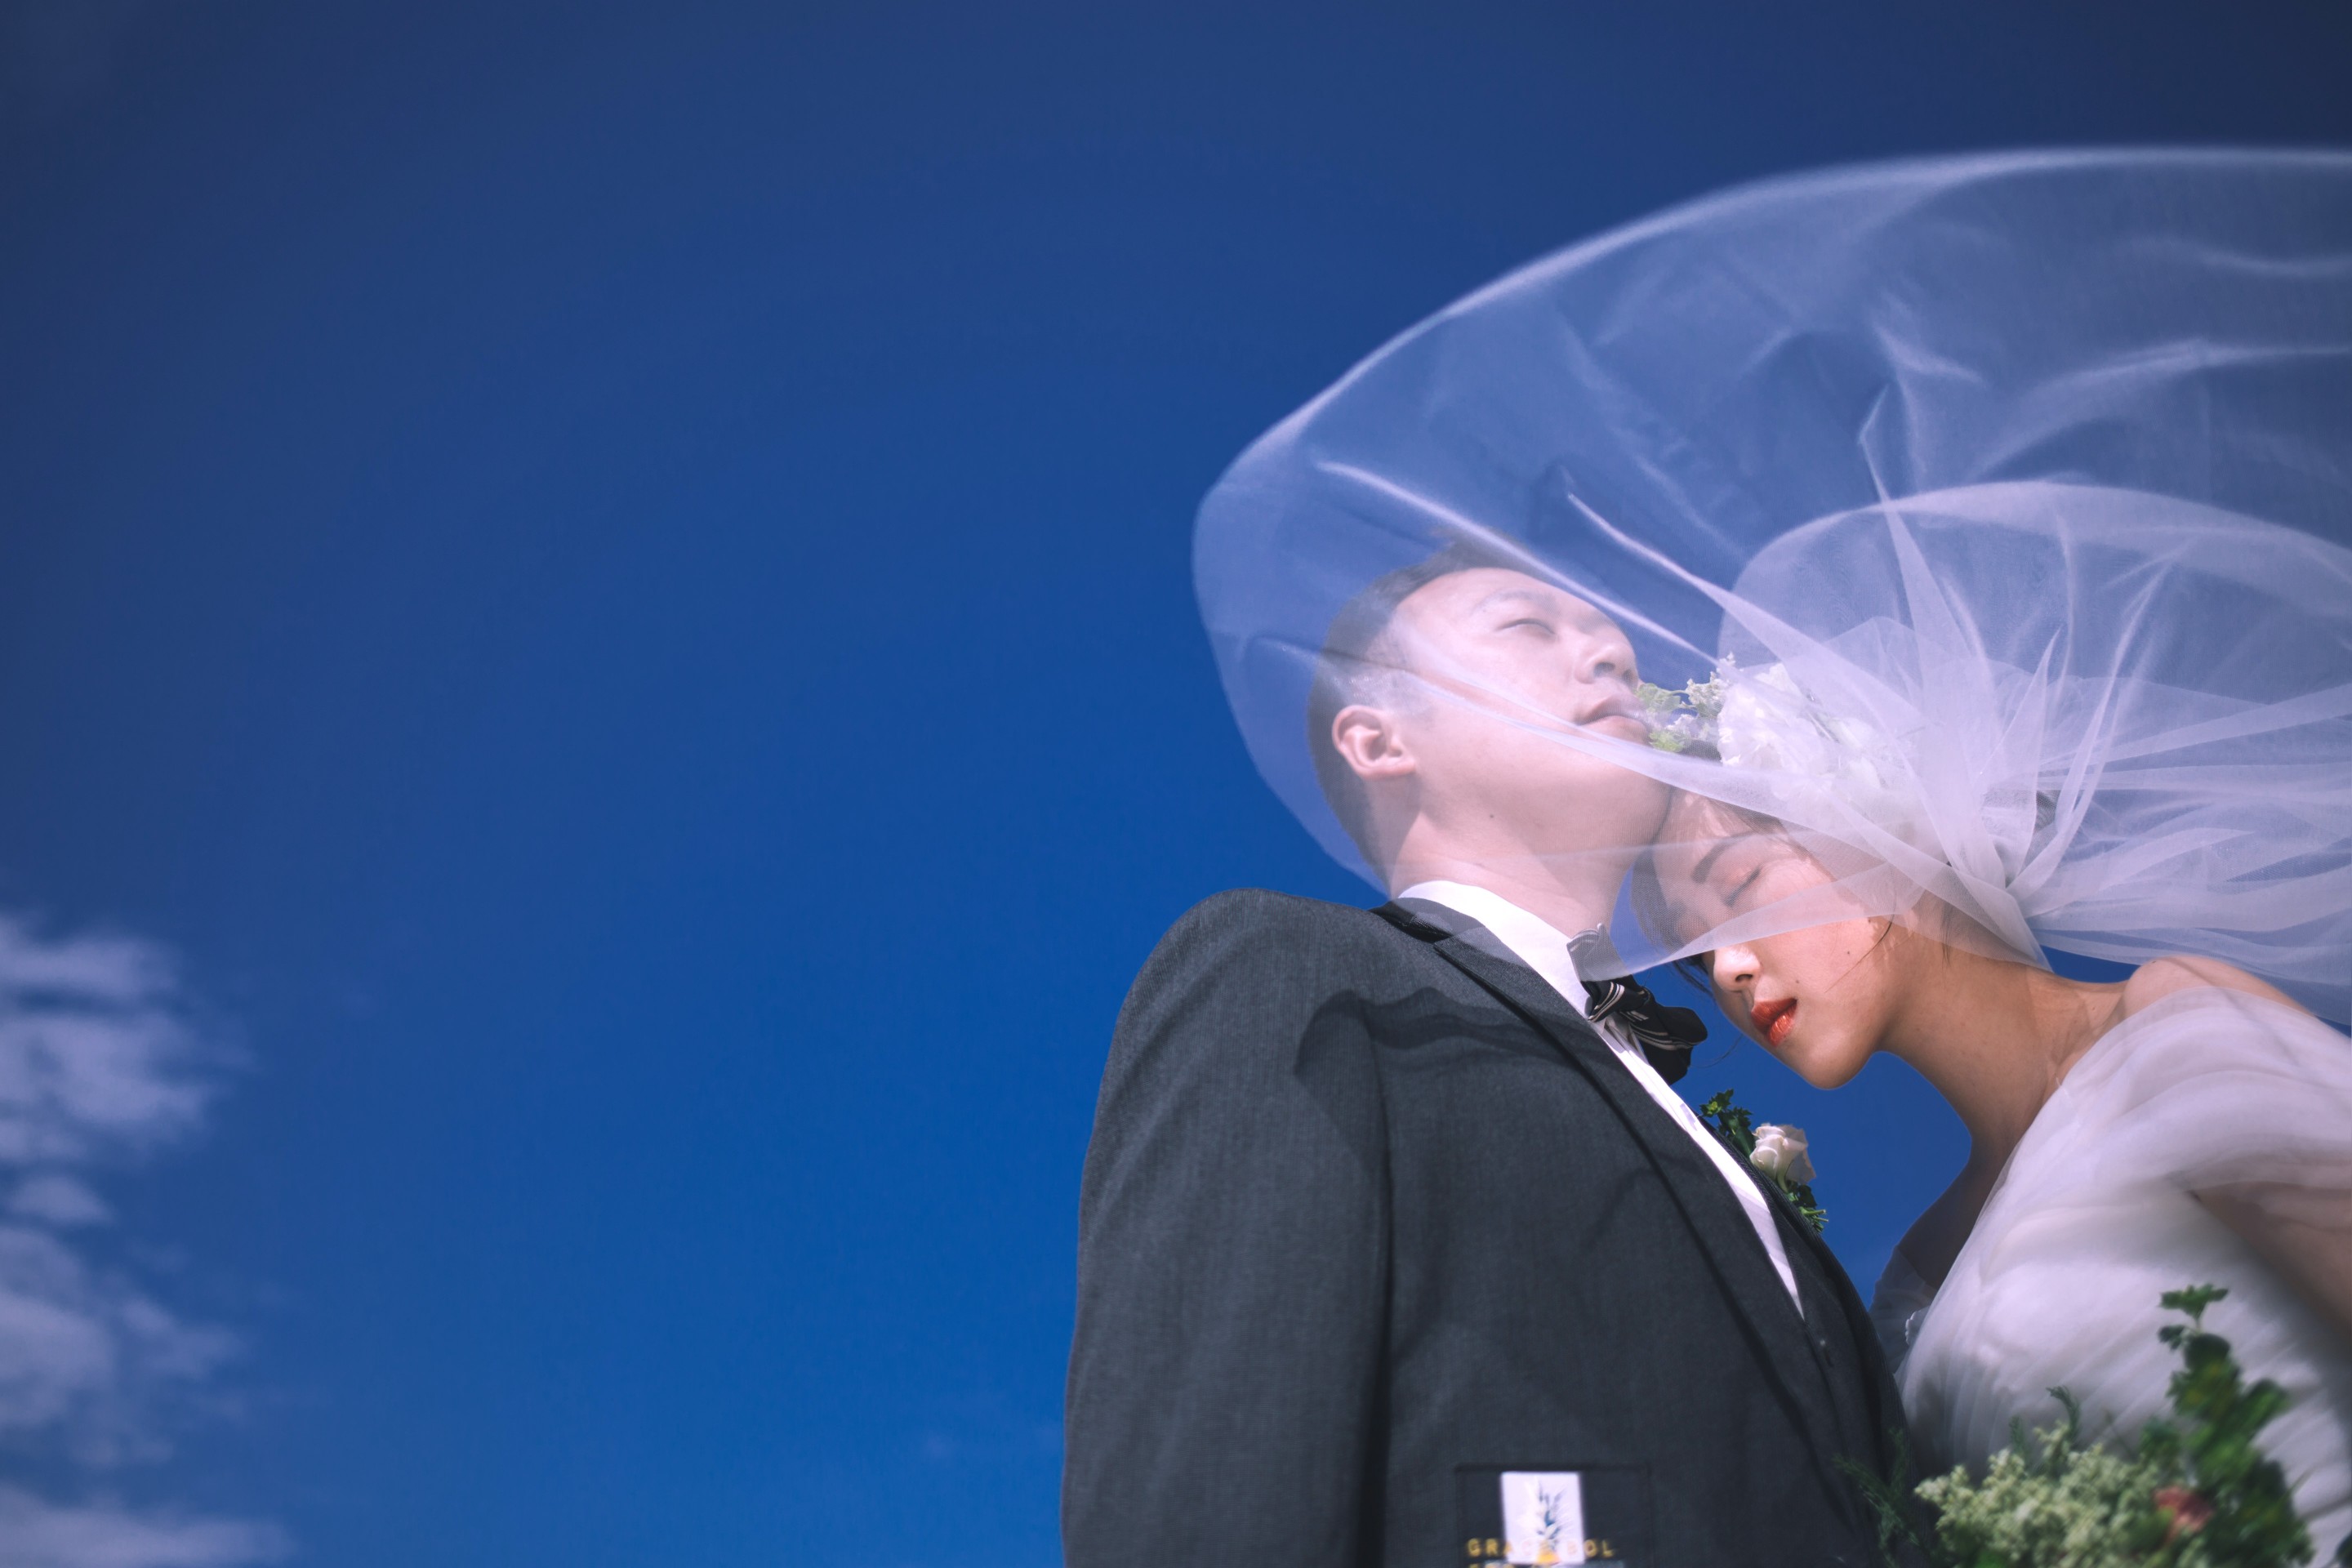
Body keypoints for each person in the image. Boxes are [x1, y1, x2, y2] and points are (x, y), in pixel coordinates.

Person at [1062, 538, 1910, 1567]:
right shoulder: (1290, 972)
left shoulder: (1671, 1098)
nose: (1609, 655)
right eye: (1527, 627)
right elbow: (1210, 1486)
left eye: (1614, 644)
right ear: (1379, 741)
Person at [1637, 782, 2352, 1551]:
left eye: (1740, 887)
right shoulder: (1916, 1280)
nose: (1726, 970)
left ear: (1882, 827)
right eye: (1697, 948)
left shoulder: (2172, 1029)